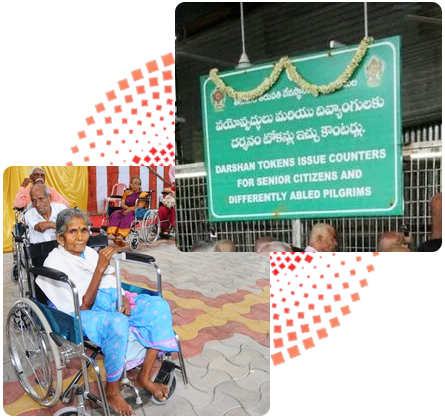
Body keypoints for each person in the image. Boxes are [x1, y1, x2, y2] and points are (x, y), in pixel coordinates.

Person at [37, 208, 178, 417]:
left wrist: (122, 299)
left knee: (158, 307)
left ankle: (144, 377)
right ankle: (112, 391)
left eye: (84, 230)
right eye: (72, 232)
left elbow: (112, 282)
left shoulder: (91, 253)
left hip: (109, 299)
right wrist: (100, 269)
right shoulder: (54, 263)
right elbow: (82, 307)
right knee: (118, 323)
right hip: (79, 312)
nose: (80, 237)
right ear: (60, 237)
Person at [106, 176, 148, 246]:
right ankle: (111, 234)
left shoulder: (142, 194)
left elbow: (140, 206)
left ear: (140, 185)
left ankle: (121, 235)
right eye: (133, 183)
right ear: (130, 184)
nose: (135, 185)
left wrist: (130, 210)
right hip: (125, 209)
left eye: (137, 184)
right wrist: (127, 209)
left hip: (135, 211)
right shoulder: (127, 192)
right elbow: (122, 204)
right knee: (115, 214)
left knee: (128, 217)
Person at [158, 166, 175, 239]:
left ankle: (172, 227)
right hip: (170, 203)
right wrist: (171, 191)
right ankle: (159, 227)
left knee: (174, 209)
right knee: (162, 209)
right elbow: (165, 189)